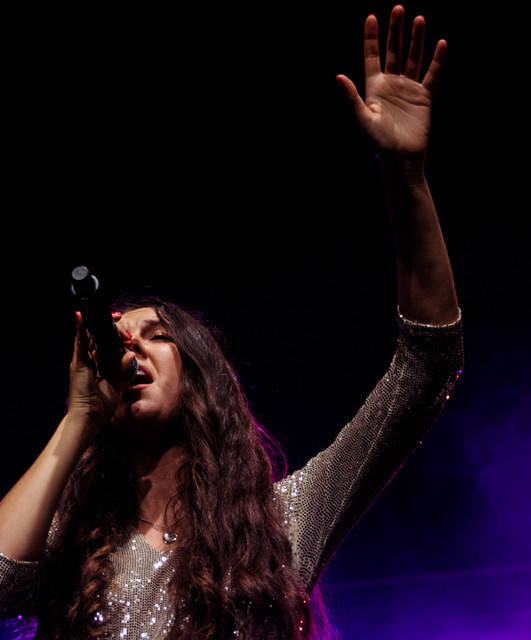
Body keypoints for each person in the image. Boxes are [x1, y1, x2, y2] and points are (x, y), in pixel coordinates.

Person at [0, 6, 464, 639]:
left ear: (200, 376)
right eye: (119, 339)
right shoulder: (70, 537)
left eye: (157, 336)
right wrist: (79, 417)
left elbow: (426, 367)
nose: (131, 347)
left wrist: (405, 176)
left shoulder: (283, 522)